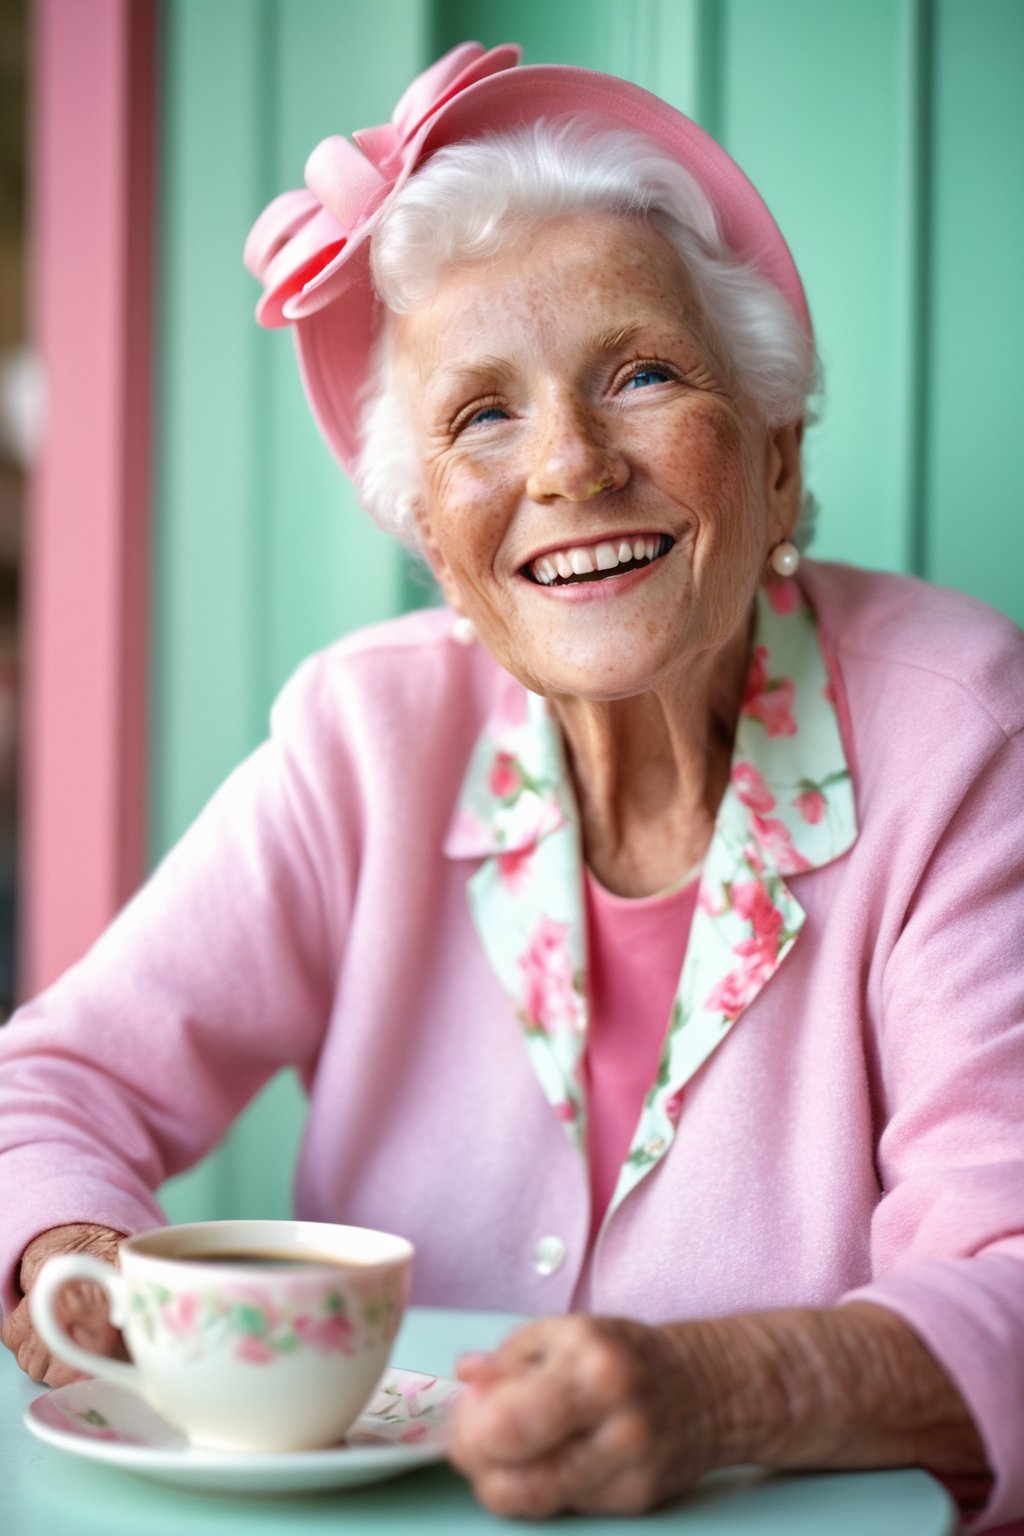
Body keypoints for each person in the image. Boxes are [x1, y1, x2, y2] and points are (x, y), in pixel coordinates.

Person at [1, 41, 1022, 1526]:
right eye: (482, 414)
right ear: (438, 547)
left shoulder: (958, 734)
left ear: (782, 459)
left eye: (644, 373)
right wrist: (65, 1260)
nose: (569, 467)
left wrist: (724, 1390)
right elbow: (54, 1083)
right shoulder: (368, 734)